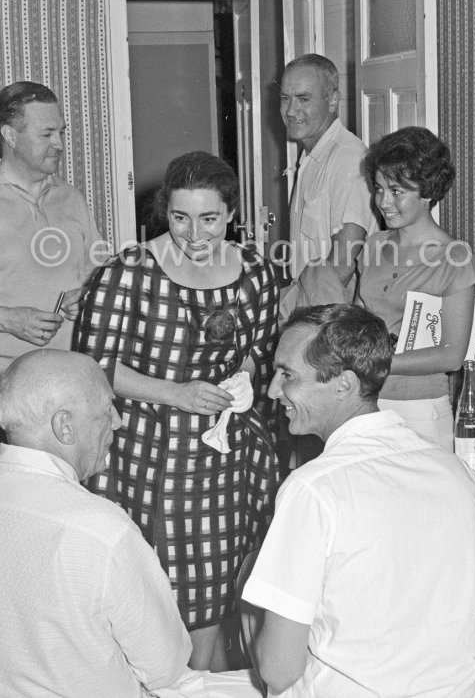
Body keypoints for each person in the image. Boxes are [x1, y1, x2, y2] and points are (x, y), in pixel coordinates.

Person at [76, 151, 280, 671]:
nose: (194, 233)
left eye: (208, 218)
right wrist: (177, 393)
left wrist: (244, 381)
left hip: (229, 455)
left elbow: (260, 349)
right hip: (149, 458)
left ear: (230, 213)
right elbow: (94, 367)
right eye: (180, 217)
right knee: (161, 595)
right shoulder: (126, 274)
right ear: (164, 210)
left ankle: (206, 680)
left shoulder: (255, 272)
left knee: (219, 586)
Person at [242, 304, 475, 698]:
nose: (272, 390)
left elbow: (278, 671)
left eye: (287, 375)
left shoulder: (312, 489)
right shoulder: (453, 469)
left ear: (344, 385)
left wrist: (255, 627)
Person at [0, 349, 263, 698]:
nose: (118, 421)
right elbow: (165, 666)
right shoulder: (102, 531)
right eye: (106, 409)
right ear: (65, 426)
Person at [356, 126, 475, 451]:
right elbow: (356, 323)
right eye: (379, 188)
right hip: (364, 404)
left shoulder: (453, 257)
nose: (383, 201)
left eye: (396, 191)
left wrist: (376, 362)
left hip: (419, 412)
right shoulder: (373, 246)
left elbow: (452, 355)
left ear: (428, 191)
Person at [0, 81, 104, 372]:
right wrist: (7, 319)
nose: (59, 144)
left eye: (61, 132)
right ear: (10, 136)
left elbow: (99, 275)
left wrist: (88, 294)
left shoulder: (72, 197)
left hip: (75, 372)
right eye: (46, 134)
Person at [279, 54, 375, 316]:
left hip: (330, 311)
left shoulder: (347, 157)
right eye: (285, 98)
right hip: (310, 302)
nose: (290, 110)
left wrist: (303, 318)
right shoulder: (312, 155)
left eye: (303, 98)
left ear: (333, 100)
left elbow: (344, 262)